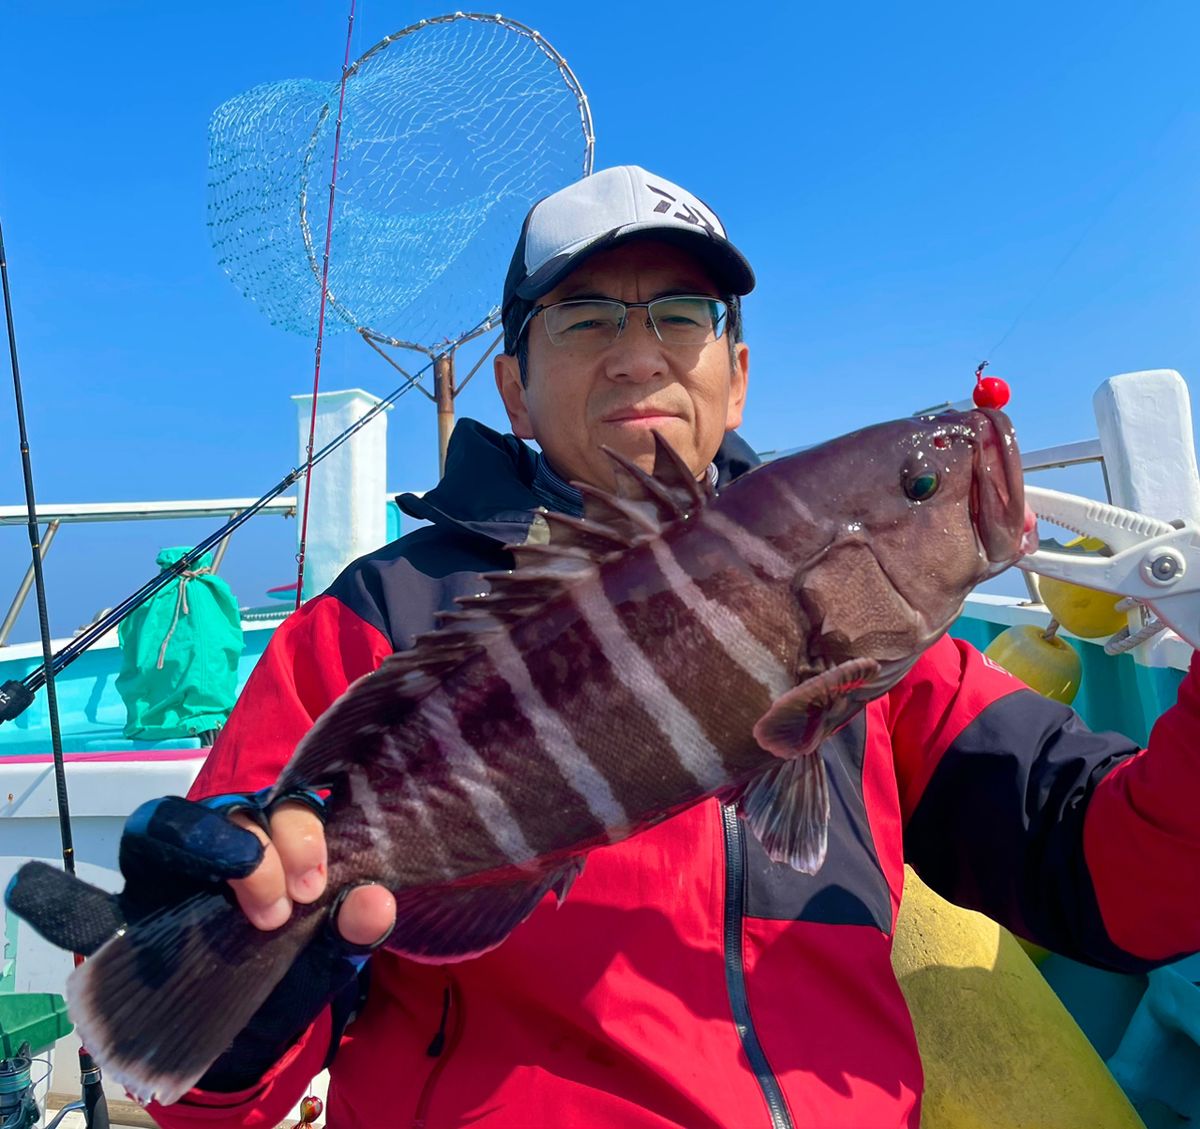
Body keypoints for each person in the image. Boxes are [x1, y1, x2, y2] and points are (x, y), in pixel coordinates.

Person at [37, 166, 1200, 1128]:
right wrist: (245, 975)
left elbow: (1108, 877)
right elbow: (220, 1100)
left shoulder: (898, 667)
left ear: (736, 376)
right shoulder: (373, 619)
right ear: (515, 388)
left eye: (681, 316)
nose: (639, 354)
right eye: (585, 318)